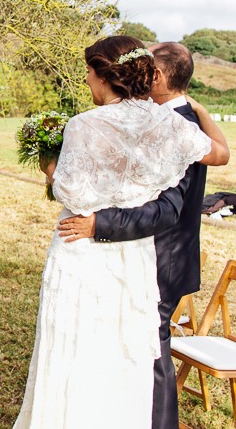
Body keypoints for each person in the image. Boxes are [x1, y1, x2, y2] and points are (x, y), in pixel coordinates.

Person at [14, 36, 229, 429]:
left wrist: (49, 163)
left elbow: (69, 191)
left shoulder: (83, 125)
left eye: (88, 71)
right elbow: (218, 155)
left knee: (73, 350)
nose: (85, 79)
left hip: (80, 249)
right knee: (124, 356)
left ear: (103, 75)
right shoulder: (170, 124)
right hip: (134, 260)